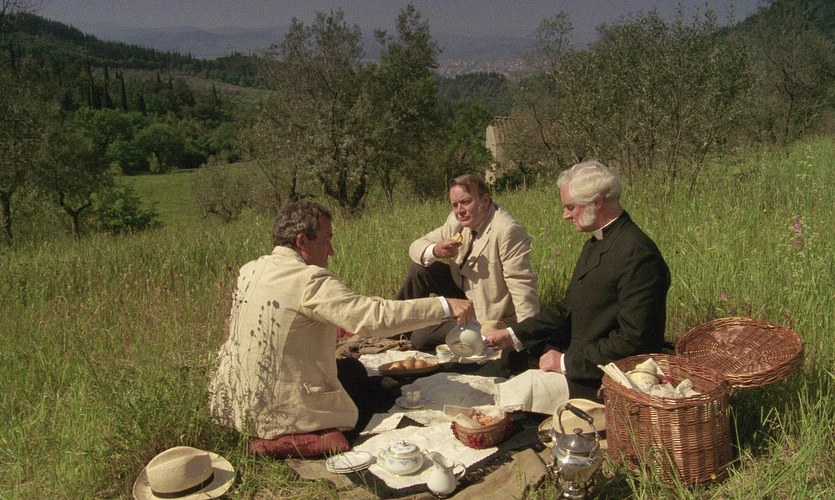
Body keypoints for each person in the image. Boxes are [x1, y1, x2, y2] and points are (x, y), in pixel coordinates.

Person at [208, 201, 474, 458]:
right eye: (327, 241)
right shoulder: (307, 280)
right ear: (302, 241)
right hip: (281, 408)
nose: (332, 251)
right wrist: (444, 305)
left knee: (352, 371)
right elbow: (373, 318)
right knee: (374, 391)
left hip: (236, 400)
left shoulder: (250, 270)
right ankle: (297, 437)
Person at [484, 161, 670, 402]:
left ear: (597, 202)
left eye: (570, 207)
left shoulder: (638, 254)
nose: (565, 215)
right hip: (580, 353)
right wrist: (512, 334)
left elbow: (635, 341)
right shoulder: (597, 242)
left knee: (514, 393)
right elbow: (568, 307)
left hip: (606, 377)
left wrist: (565, 362)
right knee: (510, 357)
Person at [396, 174, 539, 351]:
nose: (459, 210)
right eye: (455, 205)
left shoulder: (507, 230)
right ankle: (395, 327)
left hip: (486, 310)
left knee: (421, 336)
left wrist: (528, 336)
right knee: (420, 270)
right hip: (463, 291)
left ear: (484, 200)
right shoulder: (456, 220)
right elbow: (416, 246)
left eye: (465, 202)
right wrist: (436, 250)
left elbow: (522, 286)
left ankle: (422, 332)